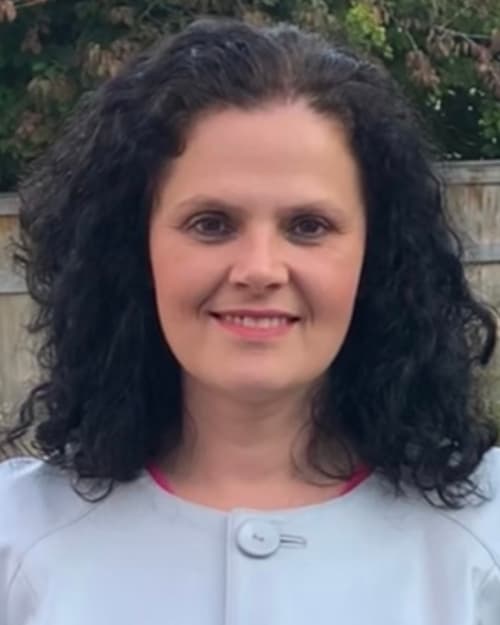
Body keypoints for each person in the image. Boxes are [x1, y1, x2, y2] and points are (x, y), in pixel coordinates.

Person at [0, 16, 499, 625]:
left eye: (308, 227)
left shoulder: (483, 537)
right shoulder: (18, 536)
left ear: (379, 256)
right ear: (132, 250)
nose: (260, 270)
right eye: (211, 224)